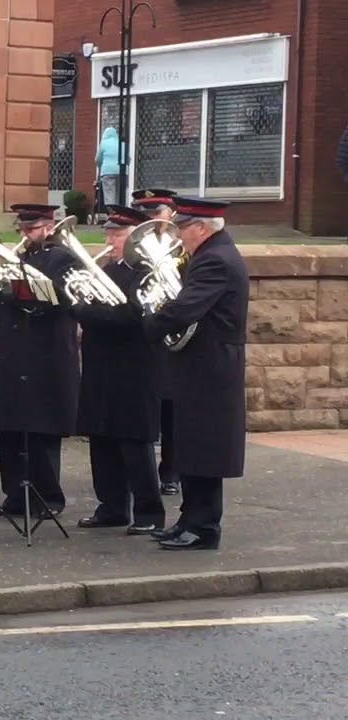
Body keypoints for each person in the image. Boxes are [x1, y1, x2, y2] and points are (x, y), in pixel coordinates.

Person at [143, 197, 248, 551]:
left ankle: (203, 527)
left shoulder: (215, 260)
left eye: (183, 229)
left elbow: (186, 307)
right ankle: (189, 519)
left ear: (201, 228)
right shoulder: (209, 255)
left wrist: (150, 323)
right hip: (200, 363)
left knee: (204, 448)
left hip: (210, 367)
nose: (179, 236)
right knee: (192, 444)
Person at [0, 204, 81, 519]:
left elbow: (59, 299)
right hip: (13, 353)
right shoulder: (16, 258)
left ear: (48, 227)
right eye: (22, 229)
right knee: (9, 428)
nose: (24, 235)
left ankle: (49, 496)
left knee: (41, 429)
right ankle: (15, 495)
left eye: (31, 229)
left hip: (45, 354)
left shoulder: (64, 259)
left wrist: (15, 291)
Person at [72, 205, 166, 535]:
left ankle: (149, 512)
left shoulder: (147, 272)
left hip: (134, 367)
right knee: (102, 439)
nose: (109, 239)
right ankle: (111, 506)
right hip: (101, 366)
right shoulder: (108, 271)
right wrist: (84, 307)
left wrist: (85, 312)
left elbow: (132, 317)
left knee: (134, 442)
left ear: (135, 238)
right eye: (108, 233)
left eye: (117, 234)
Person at [131, 187, 181, 497]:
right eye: (145, 213)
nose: (150, 219)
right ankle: (142, 470)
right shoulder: (135, 249)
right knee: (146, 405)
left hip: (172, 335)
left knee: (172, 407)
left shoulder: (182, 247)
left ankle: (172, 471)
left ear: (170, 214)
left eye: (155, 213)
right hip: (144, 334)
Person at [96, 127, 121, 213]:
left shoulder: (104, 144)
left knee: (109, 194)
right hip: (121, 171)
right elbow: (127, 158)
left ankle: (112, 214)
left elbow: (98, 159)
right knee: (119, 193)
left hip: (107, 172)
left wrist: (99, 166)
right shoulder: (121, 143)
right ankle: (120, 213)